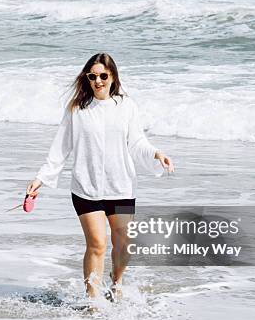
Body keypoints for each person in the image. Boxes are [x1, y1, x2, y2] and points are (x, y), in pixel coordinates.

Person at [26, 53, 174, 300]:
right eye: (92, 76)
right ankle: (93, 302)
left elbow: (137, 142)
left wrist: (157, 154)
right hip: (87, 186)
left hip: (121, 186)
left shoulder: (126, 105)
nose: (98, 81)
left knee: (123, 244)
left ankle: (116, 283)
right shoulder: (77, 108)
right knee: (97, 244)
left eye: (103, 76)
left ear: (113, 77)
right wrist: (41, 178)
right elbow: (61, 147)